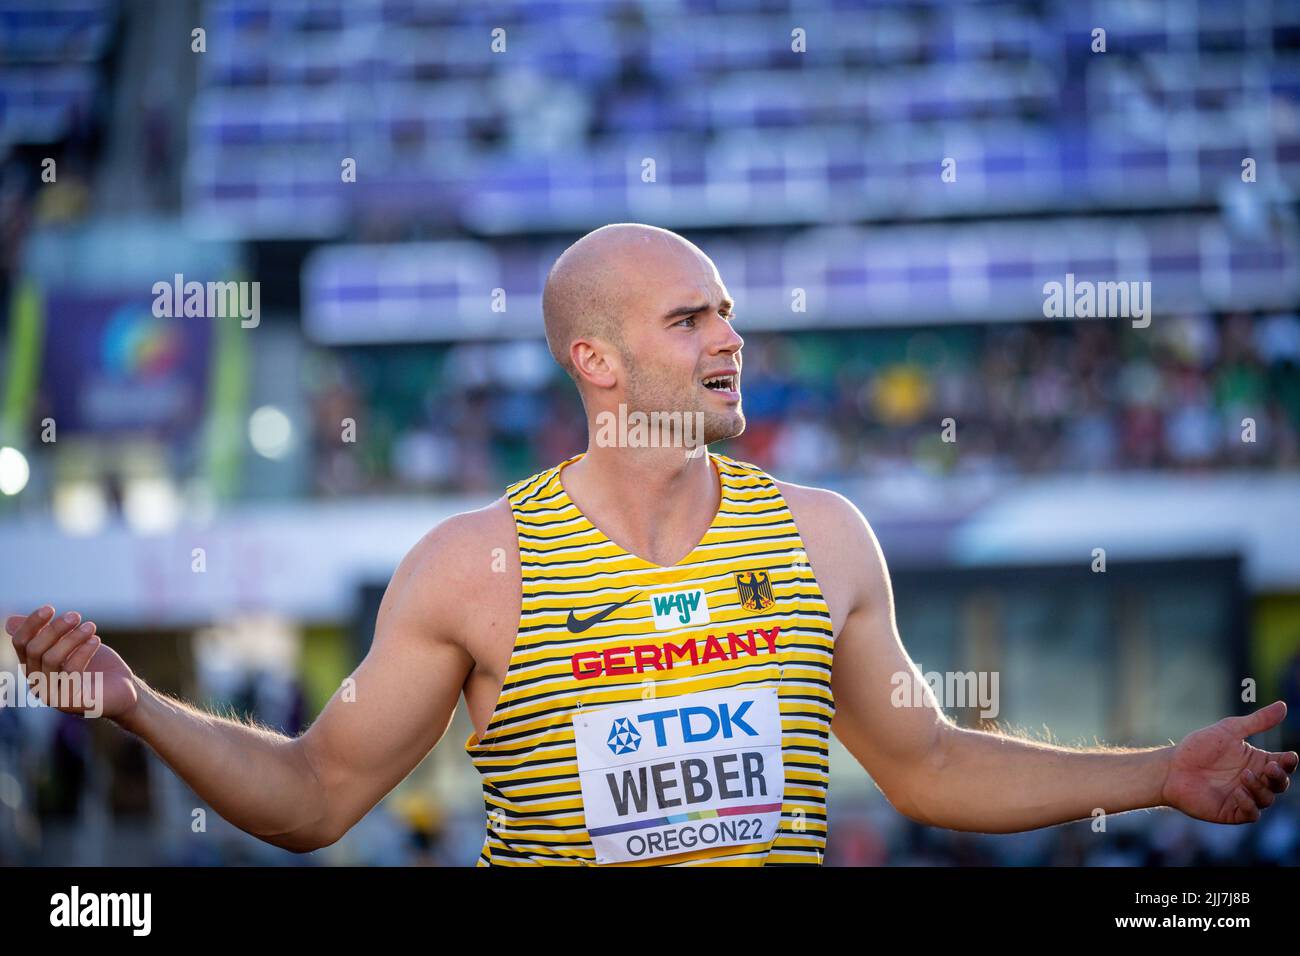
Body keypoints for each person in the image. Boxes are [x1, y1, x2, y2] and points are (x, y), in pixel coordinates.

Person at [7, 223, 1296, 866]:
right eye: (690, 320)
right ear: (598, 358)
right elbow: (312, 795)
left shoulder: (826, 538)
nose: (730, 338)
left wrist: (1157, 773)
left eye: (729, 312)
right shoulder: (473, 566)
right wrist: (133, 704)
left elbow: (930, 763)